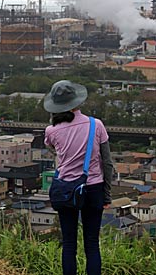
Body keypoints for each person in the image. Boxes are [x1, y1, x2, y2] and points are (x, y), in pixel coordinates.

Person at [43, 80, 114, 275]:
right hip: (93, 187)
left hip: (66, 188)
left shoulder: (52, 131)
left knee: (68, 244)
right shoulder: (96, 125)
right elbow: (107, 162)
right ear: (78, 101)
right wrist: (106, 195)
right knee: (92, 244)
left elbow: (52, 149)